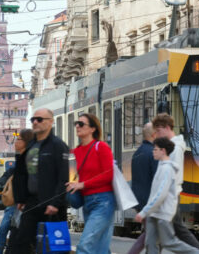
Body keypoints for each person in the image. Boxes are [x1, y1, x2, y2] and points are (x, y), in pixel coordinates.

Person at [12, 108, 69, 253]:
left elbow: (63, 177)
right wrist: (21, 198)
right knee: (21, 243)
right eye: (33, 119)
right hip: (31, 202)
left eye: (39, 119)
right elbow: (21, 174)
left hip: (51, 204)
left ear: (50, 122)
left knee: (54, 246)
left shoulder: (58, 145)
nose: (35, 122)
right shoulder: (31, 146)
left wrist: (56, 203)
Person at [135, 137, 199, 254]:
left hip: (162, 214)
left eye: (155, 149)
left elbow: (161, 194)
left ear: (163, 151)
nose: (153, 152)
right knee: (150, 243)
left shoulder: (167, 169)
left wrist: (144, 212)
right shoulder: (161, 166)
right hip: (154, 213)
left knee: (169, 242)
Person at [151, 113, 199, 251]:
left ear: (167, 128)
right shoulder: (172, 146)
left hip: (170, 194)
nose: (157, 135)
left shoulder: (175, 148)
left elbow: (171, 173)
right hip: (170, 194)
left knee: (178, 231)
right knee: (169, 231)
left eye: (158, 131)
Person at [66, 113, 116, 253]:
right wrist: (73, 185)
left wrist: (83, 185)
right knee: (100, 247)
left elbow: (109, 174)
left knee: (85, 245)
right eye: (76, 123)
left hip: (103, 202)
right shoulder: (77, 151)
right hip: (88, 202)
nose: (77, 126)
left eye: (81, 124)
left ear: (92, 129)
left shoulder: (101, 147)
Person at [0, 129, 33, 254]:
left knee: (7, 227)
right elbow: (9, 174)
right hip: (16, 201)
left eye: (19, 139)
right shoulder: (20, 158)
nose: (16, 142)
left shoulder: (31, 159)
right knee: (4, 228)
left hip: (25, 202)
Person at [128, 122, 158, 254]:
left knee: (150, 234)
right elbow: (157, 179)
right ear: (154, 134)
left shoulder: (137, 153)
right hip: (150, 202)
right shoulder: (153, 153)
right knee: (150, 234)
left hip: (139, 200)